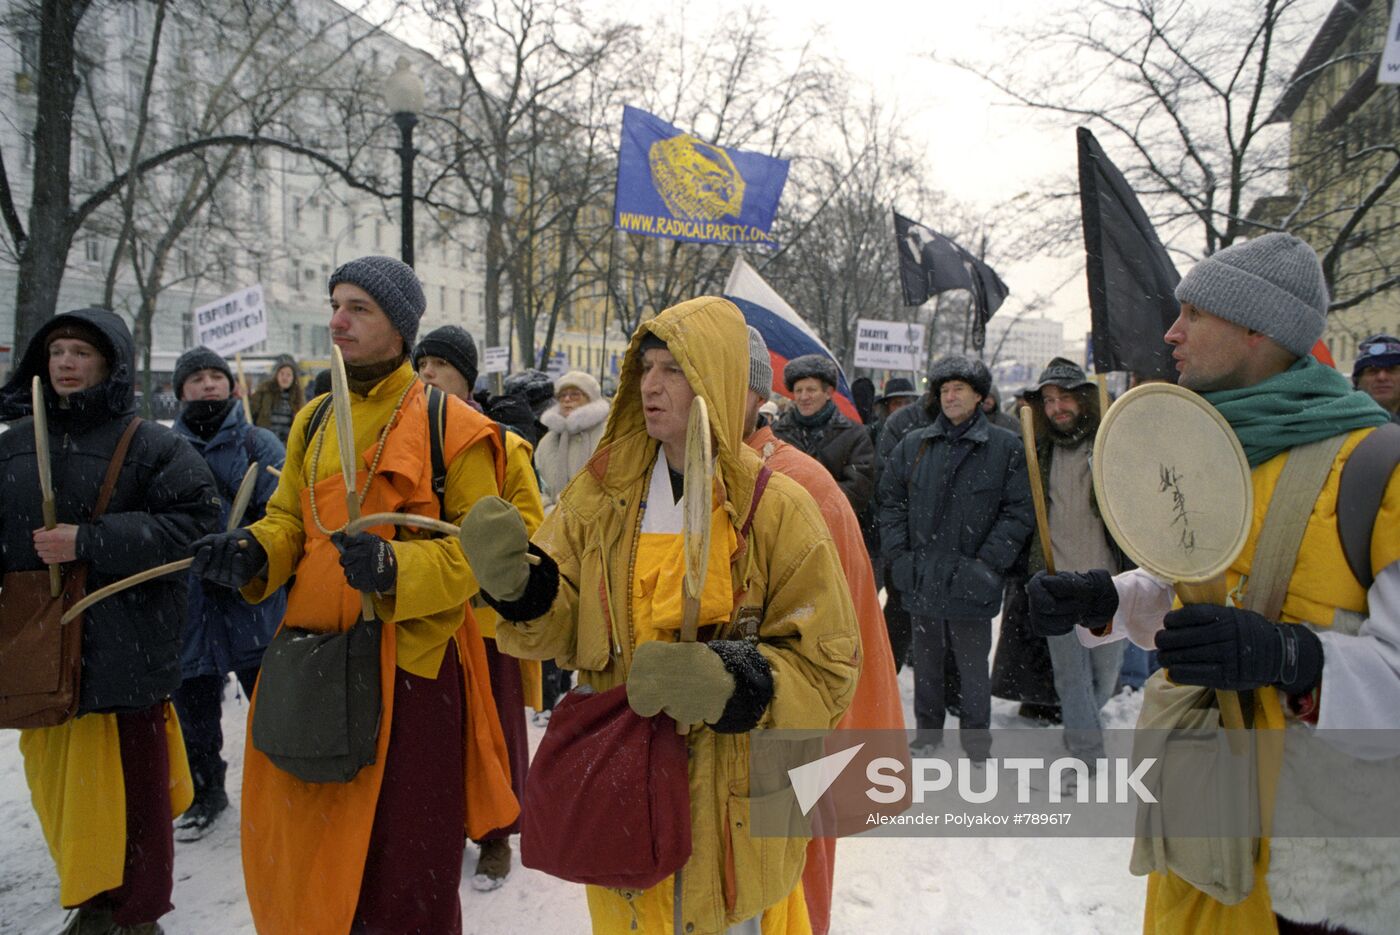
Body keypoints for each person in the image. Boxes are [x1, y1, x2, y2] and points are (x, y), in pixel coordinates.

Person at [1028, 233, 1399, 933]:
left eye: (1193, 314)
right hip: (1202, 827)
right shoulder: (1212, 449)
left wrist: (1292, 658)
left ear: (1258, 328)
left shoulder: (1378, 466)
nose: (1172, 333)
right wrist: (1111, 597)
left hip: (1313, 870)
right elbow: (1201, 591)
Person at [460, 296, 861, 935]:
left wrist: (734, 681)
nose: (650, 384)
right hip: (625, 789)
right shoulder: (601, 497)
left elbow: (830, 669)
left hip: (727, 809)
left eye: (674, 368)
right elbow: (565, 621)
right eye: (646, 366)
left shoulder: (778, 508)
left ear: (719, 377)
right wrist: (522, 589)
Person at [189, 256, 518, 935]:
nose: (337, 319)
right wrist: (253, 550)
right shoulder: (311, 420)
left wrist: (398, 567)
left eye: (358, 307)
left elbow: (482, 554)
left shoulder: (450, 425)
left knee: (407, 862)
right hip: (315, 659)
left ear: (400, 326)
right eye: (336, 303)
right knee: (316, 849)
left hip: (412, 673)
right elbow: (289, 522)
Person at [0, 308, 221, 935]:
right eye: (56, 352)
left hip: (127, 644)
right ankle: (93, 899)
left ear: (110, 363)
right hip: (41, 651)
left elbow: (199, 525)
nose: (66, 363)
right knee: (60, 790)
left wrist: (90, 540)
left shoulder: (151, 445)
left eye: (80, 352)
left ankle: (136, 914)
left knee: (135, 795)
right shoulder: (14, 444)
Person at [743, 328, 903, 935]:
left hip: (785, 731)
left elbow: (829, 649)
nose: (654, 388)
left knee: (791, 877)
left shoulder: (811, 476)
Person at [412, 323, 544, 891]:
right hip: (425, 614)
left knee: (496, 732)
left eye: (439, 365)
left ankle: (496, 833)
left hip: (485, 618)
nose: (427, 375)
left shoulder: (503, 443)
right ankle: (439, 827)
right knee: (439, 735)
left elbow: (533, 529)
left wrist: (485, 565)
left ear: (466, 376)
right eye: (421, 366)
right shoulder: (406, 441)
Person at [879, 355, 1034, 761]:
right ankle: (927, 734)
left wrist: (987, 565)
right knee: (926, 665)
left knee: (971, 668)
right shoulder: (915, 445)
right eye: (944, 390)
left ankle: (976, 741)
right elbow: (891, 501)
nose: (949, 397)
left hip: (972, 578)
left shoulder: (1004, 446)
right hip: (922, 575)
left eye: (958, 390)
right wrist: (900, 557)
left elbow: (1018, 511)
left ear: (980, 397)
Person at [169, 346, 286, 840]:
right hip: (190, 607)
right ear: (180, 393)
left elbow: (285, 511)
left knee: (272, 705)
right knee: (194, 709)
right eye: (196, 378)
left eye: (217, 375)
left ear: (233, 386)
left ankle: (281, 791)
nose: (209, 385)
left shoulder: (260, 444)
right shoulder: (162, 451)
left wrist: (246, 550)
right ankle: (205, 791)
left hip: (252, 602)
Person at [1021, 357, 1127, 780]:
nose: (1057, 407)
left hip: (1108, 583)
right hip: (1057, 580)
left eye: (1065, 397)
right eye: (1048, 400)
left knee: (1104, 678)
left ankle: (1081, 728)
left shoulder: (1109, 443)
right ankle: (1085, 751)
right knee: (1071, 677)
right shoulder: (1036, 450)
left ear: (1084, 399)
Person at [772, 354, 876, 514]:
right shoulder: (777, 433)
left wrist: (812, 503)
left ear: (828, 393)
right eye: (798, 391)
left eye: (811, 390)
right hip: (785, 527)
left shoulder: (855, 435)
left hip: (834, 529)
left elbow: (859, 489)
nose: (803, 397)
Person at [536, 369, 611, 509]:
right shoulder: (547, 442)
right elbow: (536, 486)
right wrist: (548, 510)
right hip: (552, 525)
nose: (567, 399)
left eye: (575, 395)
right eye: (562, 395)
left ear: (591, 398)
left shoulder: (607, 437)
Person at [249, 353, 304, 444]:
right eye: (282, 374)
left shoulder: (297, 398)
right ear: (276, 375)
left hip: (287, 444)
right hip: (265, 440)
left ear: (293, 378)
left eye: (288, 375)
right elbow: (251, 412)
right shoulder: (264, 392)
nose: (284, 378)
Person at [1353, 333, 1400, 423]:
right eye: (1372, 371)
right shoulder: (1340, 422)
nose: (1381, 377)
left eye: (1391, 369)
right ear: (1358, 381)